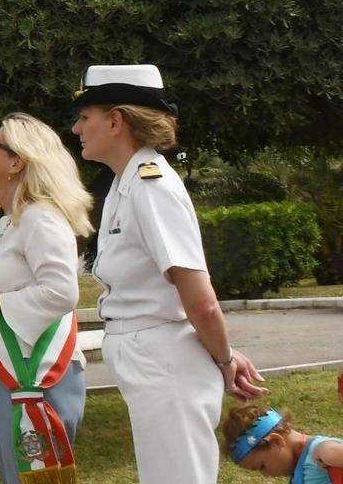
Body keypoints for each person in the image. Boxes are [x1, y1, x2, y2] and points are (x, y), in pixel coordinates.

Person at [71, 64, 267, 483]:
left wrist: (225, 359)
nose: (76, 128)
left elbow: (200, 299)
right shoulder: (126, 185)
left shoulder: (152, 186)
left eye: (85, 117)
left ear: (115, 121)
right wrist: (222, 353)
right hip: (153, 354)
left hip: (164, 359)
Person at [0, 113, 92, 483]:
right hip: (7, 372)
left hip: (38, 372)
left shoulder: (40, 218)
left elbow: (62, 292)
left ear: (17, 161)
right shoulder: (5, 221)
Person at [222, 404, 343, 480]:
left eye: (262, 466)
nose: (265, 474)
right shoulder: (298, 469)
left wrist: (330, 454)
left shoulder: (323, 451)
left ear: (276, 441)